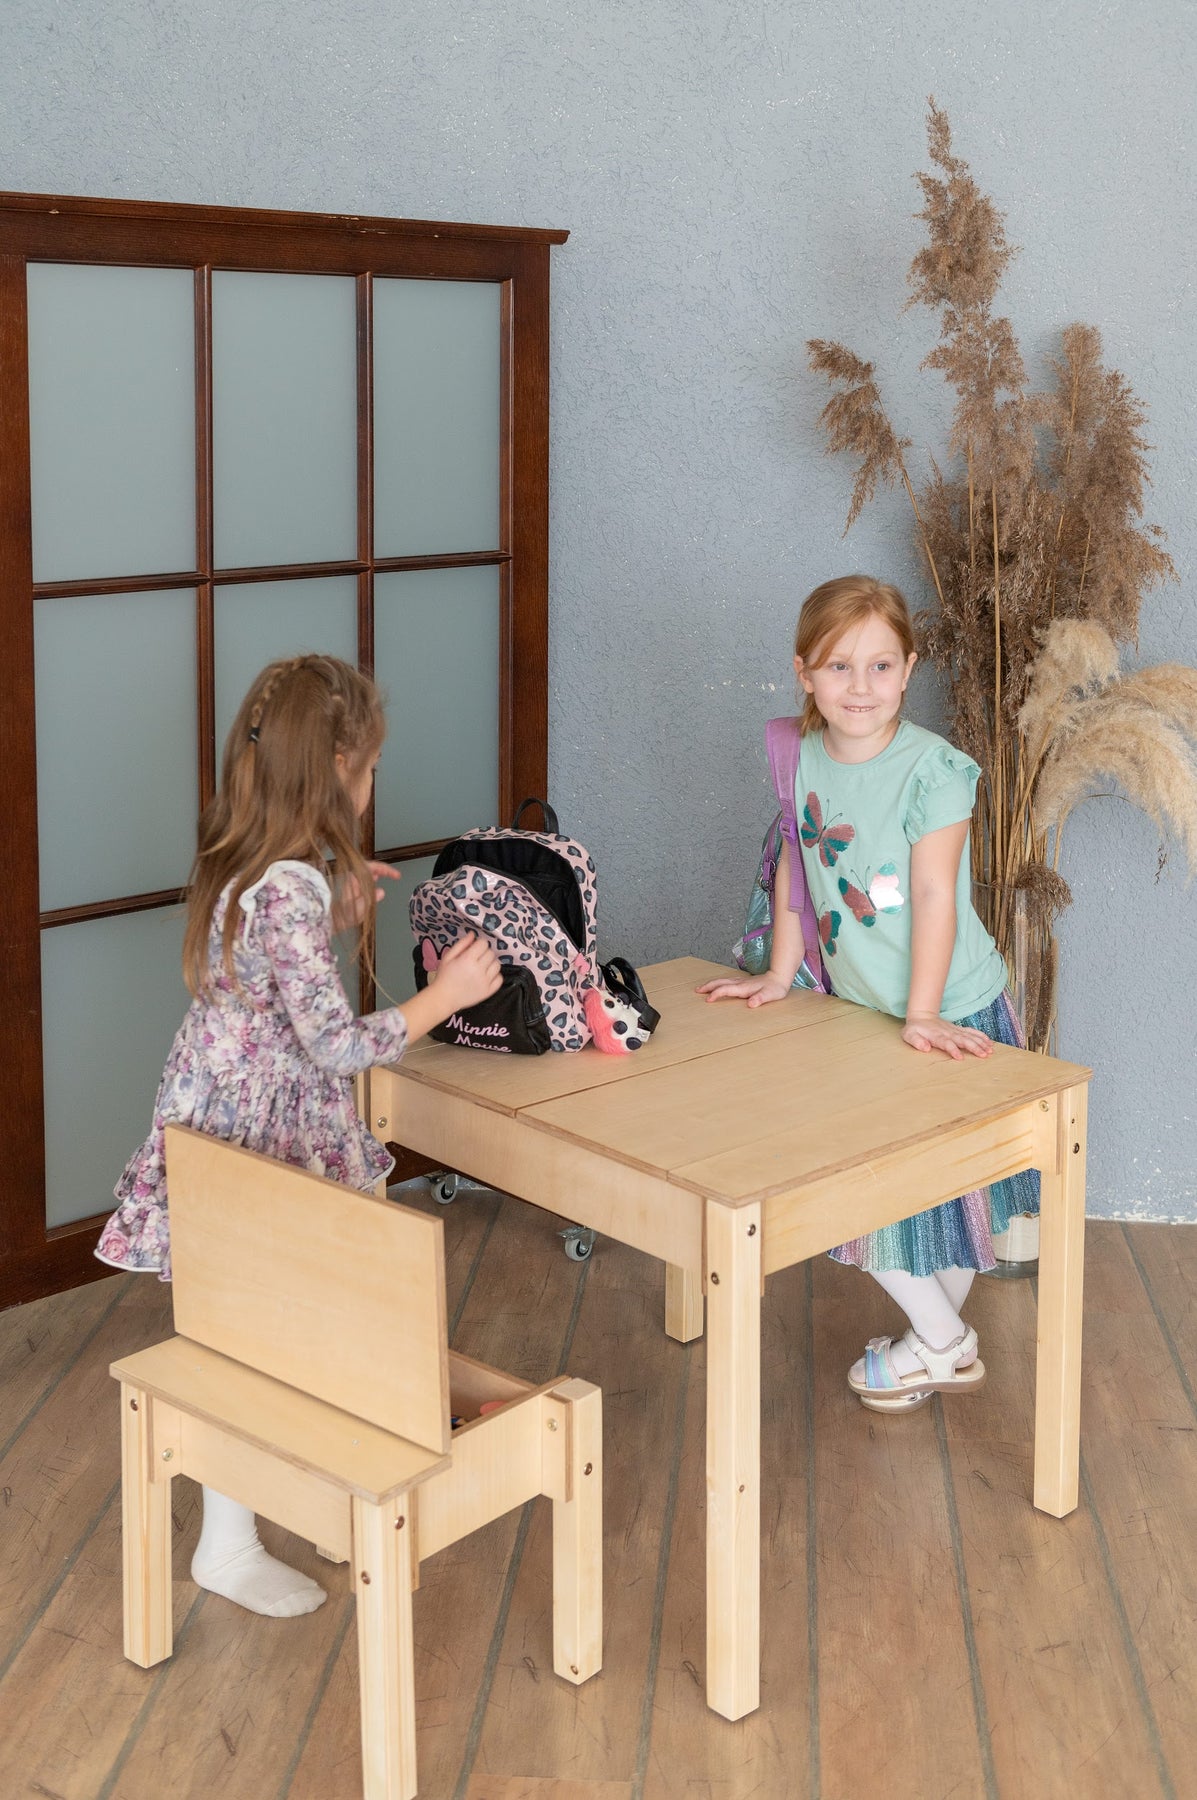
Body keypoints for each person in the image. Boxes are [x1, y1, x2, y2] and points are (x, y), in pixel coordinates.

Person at [96, 654, 501, 1614]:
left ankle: (292, 1501)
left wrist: (335, 895)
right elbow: (331, 1045)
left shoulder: (247, 856)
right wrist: (443, 997)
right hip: (260, 1137)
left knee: (258, 1325)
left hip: (221, 1115)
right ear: (338, 768)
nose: (373, 786)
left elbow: (273, 972)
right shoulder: (289, 889)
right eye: (371, 769)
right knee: (255, 1337)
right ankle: (228, 1544)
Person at [698, 575, 1039, 1413]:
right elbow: (795, 860)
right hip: (856, 1011)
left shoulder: (934, 771)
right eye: (838, 666)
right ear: (803, 672)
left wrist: (922, 1013)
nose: (860, 686)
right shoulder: (798, 752)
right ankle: (939, 1343)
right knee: (852, 1179)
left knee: (951, 1188)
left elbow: (933, 896)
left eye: (880, 666)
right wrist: (778, 972)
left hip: (947, 1007)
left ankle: (934, 1343)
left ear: (908, 669)